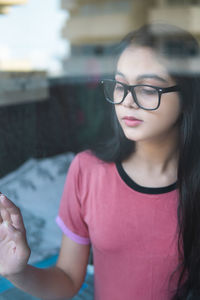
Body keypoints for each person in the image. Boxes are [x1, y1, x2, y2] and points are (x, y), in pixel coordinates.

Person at [0, 22, 200, 300]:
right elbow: (68, 279)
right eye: (120, 85)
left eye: (147, 88)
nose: (127, 101)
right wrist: (16, 271)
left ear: (188, 96)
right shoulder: (87, 171)